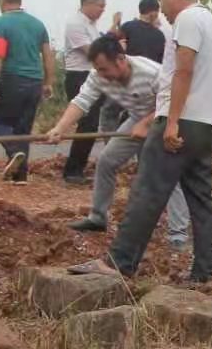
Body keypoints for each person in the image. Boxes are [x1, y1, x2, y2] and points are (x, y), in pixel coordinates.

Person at [68, 0, 212, 283]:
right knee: (201, 200)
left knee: (147, 191)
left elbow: (183, 72)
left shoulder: (189, 19)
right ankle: (202, 273)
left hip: (182, 121)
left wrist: (172, 122)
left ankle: (119, 262)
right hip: (207, 125)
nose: (162, 11)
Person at [44, 35, 189, 249]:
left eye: (104, 69)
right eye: (98, 69)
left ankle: (179, 234)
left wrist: (147, 124)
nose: (102, 75)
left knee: (166, 172)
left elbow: (172, 100)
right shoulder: (98, 76)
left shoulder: (151, 72)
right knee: (106, 161)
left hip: (165, 119)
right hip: (137, 118)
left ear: (120, 59)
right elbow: (81, 102)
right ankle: (98, 217)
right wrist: (60, 128)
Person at [0, 0, 55, 184]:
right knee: (23, 129)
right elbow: (48, 56)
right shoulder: (38, 24)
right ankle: (20, 176)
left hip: (12, 79)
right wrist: (48, 82)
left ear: (1, 0)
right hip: (34, 81)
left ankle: (14, 152)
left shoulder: (0, 23)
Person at [61, 0, 110, 184]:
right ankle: (72, 171)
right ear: (88, 3)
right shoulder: (75, 24)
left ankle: (77, 168)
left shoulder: (91, 25)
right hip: (78, 77)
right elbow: (92, 52)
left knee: (91, 124)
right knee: (87, 124)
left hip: (92, 76)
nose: (102, 10)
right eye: (100, 6)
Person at [118, 0, 168, 64]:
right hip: (152, 72)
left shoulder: (126, 27)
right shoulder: (159, 35)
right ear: (153, 13)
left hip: (131, 70)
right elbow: (161, 59)